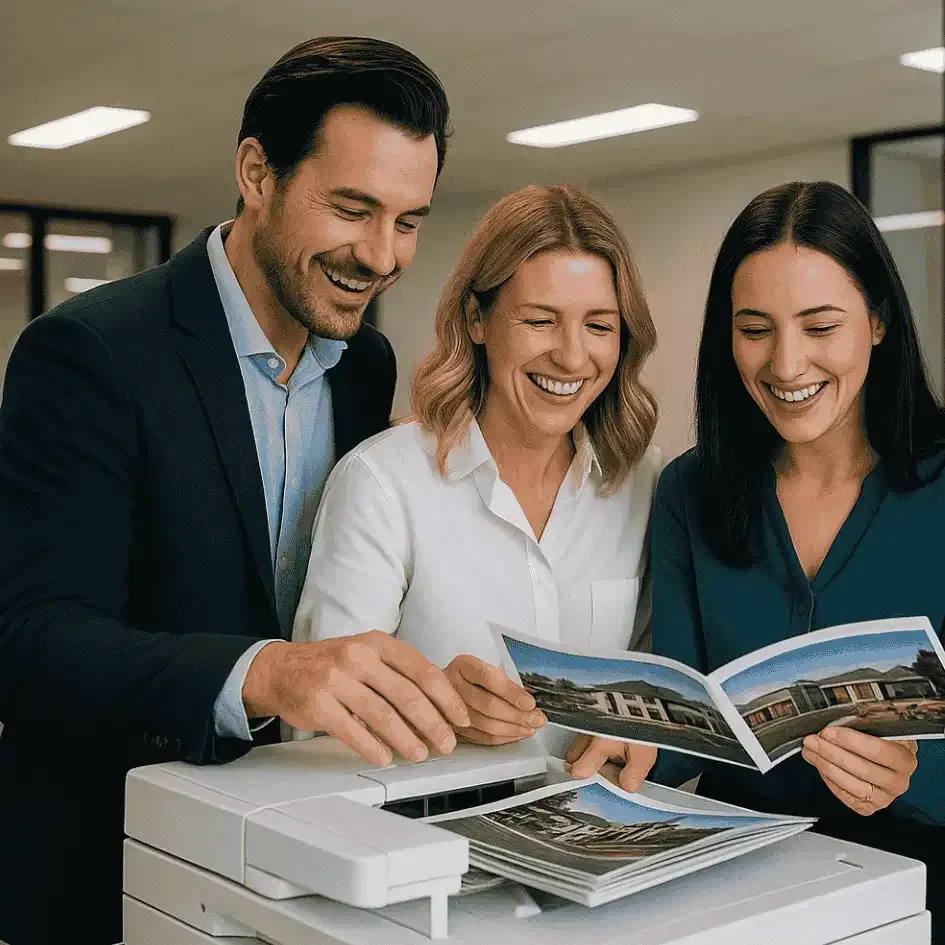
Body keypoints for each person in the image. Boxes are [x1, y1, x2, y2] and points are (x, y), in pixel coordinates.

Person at [0, 37, 473, 945]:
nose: (380, 254)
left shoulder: (364, 365)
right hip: (102, 866)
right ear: (257, 173)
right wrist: (263, 672)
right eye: (352, 208)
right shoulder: (92, 350)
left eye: (408, 220)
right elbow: (30, 641)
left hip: (284, 865)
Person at [645, 181, 945, 938]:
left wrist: (920, 773)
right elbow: (685, 730)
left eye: (820, 327)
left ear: (878, 320)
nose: (785, 364)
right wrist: (622, 739)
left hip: (915, 892)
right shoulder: (688, 491)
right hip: (734, 894)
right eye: (754, 329)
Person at [292, 184, 663, 785]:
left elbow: (655, 686)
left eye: (599, 325)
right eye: (540, 321)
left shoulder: (644, 485)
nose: (572, 357)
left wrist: (638, 730)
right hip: (423, 833)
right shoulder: (382, 485)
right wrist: (438, 709)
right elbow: (314, 736)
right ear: (476, 319)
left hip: (595, 829)